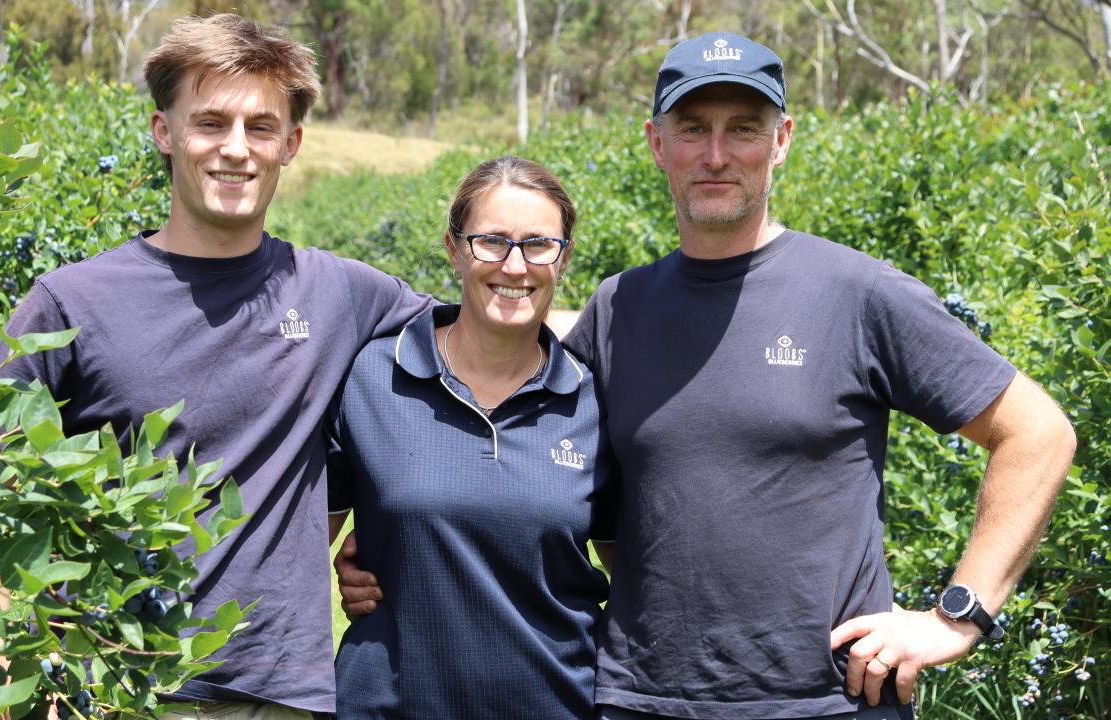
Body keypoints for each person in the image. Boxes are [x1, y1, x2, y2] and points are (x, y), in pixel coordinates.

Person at [338, 32, 1076, 720]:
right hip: (639, 699)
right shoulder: (620, 307)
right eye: (692, 128)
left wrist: (957, 615)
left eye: (744, 128)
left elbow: (1036, 433)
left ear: (781, 140)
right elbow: (524, 418)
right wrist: (395, 541)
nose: (716, 154)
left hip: (827, 698)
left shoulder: (857, 294)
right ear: (658, 145)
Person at [0, 14, 434, 720]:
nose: (236, 149)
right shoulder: (71, 302)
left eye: (260, 127)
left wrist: (388, 537)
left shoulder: (342, 293)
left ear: (292, 143)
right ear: (165, 133)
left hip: (279, 692)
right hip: (114, 682)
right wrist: (5, 653)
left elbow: (488, 352)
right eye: (210, 123)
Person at [325, 157, 617, 720]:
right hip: (387, 707)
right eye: (491, 242)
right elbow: (297, 545)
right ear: (455, 249)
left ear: (565, 257)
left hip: (557, 705)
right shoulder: (373, 378)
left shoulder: (593, 403)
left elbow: (639, 577)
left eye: (538, 244)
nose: (514, 265)